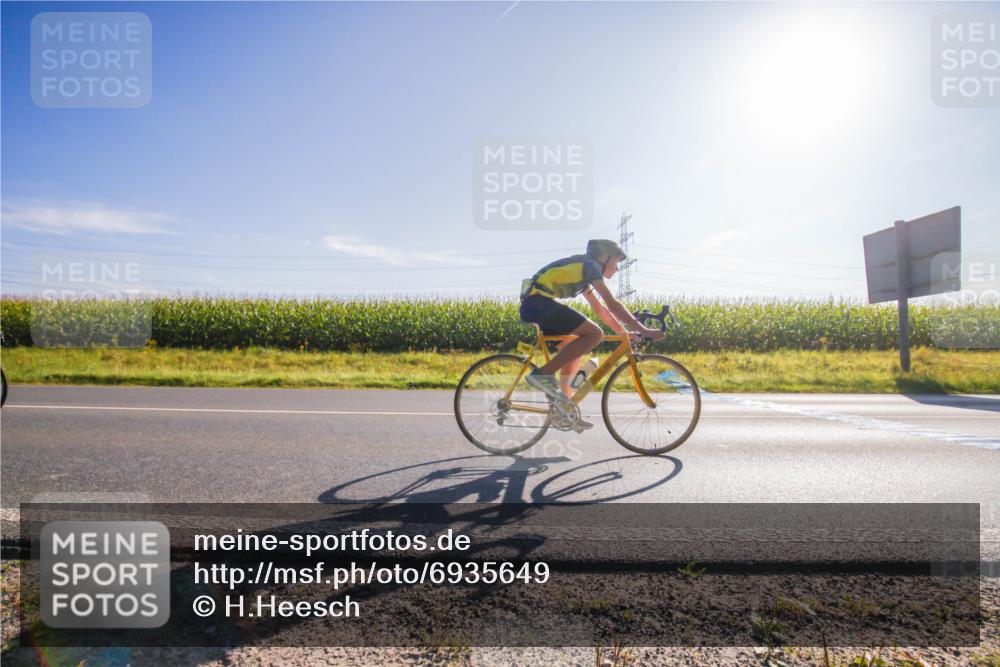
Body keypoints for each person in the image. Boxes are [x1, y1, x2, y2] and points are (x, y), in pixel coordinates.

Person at [519, 239, 665, 424]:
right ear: (603, 257)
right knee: (595, 334)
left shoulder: (584, 271)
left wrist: (623, 332)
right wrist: (644, 330)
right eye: (616, 262)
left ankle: (563, 409)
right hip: (538, 304)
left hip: (537, 305)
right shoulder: (591, 266)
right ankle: (542, 375)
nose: (618, 268)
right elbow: (613, 304)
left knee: (573, 349)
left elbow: (601, 309)